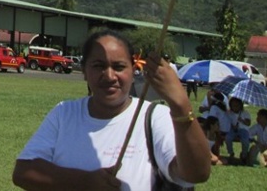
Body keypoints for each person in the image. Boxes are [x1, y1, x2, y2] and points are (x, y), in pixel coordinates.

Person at [12, 29, 211, 190]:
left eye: (119, 66)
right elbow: (23, 171)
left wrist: (181, 105)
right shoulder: (64, 113)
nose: (109, 76)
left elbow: (196, 174)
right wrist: (86, 181)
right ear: (84, 71)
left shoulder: (154, 118)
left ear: (134, 71)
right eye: (98, 65)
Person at [224, 96, 251, 163]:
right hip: (232, 129)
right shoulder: (229, 113)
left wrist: (242, 120)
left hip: (243, 129)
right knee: (228, 138)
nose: (235, 107)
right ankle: (231, 153)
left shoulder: (245, 113)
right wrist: (233, 126)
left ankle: (244, 154)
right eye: (233, 105)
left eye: (237, 105)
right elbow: (227, 122)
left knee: (245, 140)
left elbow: (248, 123)